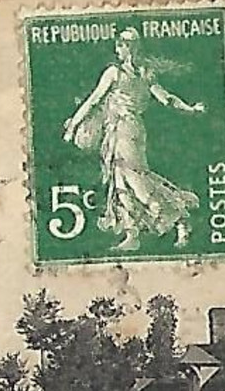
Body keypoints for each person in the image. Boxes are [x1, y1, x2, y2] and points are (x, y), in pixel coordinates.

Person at [62, 27, 205, 252]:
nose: (117, 50)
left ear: (126, 48)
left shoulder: (115, 73)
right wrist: (190, 108)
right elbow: (166, 98)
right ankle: (133, 234)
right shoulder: (145, 73)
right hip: (128, 130)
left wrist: (72, 126)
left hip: (124, 130)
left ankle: (177, 217)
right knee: (121, 179)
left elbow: (92, 100)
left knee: (136, 181)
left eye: (119, 46)